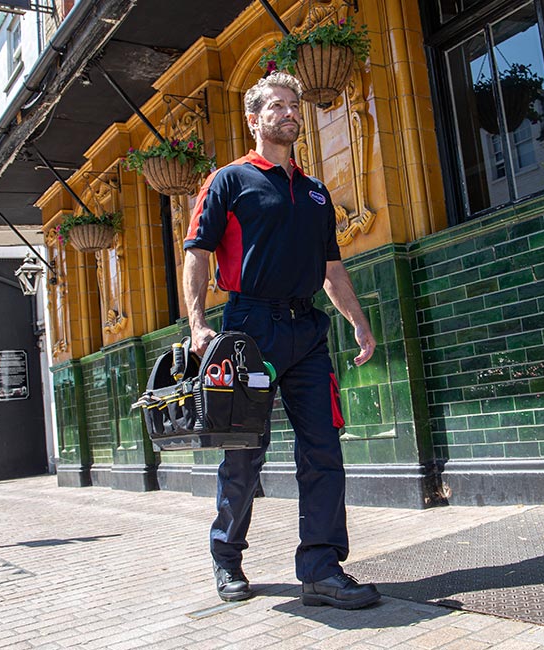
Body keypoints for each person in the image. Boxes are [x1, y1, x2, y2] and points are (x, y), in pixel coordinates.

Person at [182, 72, 380, 610]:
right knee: (245, 451)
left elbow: (331, 270)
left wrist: (358, 322)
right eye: (276, 105)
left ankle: (320, 567)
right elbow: (196, 253)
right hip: (249, 330)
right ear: (254, 119)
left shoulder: (315, 192)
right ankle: (226, 556)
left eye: (294, 105)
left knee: (323, 448)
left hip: (307, 330)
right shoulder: (229, 180)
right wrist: (199, 324)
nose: (289, 112)